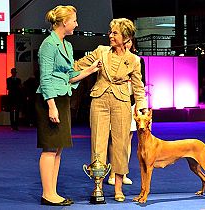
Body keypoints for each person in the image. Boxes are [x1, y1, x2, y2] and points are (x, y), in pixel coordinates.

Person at [74, 18, 148, 202]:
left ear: (126, 37)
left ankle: (118, 187)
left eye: (115, 33)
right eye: (111, 32)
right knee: (97, 143)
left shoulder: (134, 60)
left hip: (122, 102)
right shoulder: (101, 51)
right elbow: (79, 65)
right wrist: (61, 69)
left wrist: (141, 108)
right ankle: (97, 186)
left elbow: (138, 88)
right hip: (99, 100)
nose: (110, 35)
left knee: (121, 145)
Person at [35, 5, 101, 206]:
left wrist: (90, 69)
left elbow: (71, 77)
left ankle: (52, 192)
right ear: (64, 22)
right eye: (74, 20)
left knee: (58, 149)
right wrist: (51, 106)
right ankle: (47, 194)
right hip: (50, 100)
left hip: (63, 98)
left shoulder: (67, 46)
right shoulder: (48, 45)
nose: (77, 24)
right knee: (49, 148)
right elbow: (45, 79)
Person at [107, 37, 146, 186]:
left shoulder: (138, 60)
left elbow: (140, 84)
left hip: (131, 103)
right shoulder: (111, 58)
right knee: (114, 139)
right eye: (124, 41)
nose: (126, 44)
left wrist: (139, 105)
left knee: (127, 139)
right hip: (115, 101)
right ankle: (112, 173)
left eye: (129, 41)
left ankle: (122, 173)